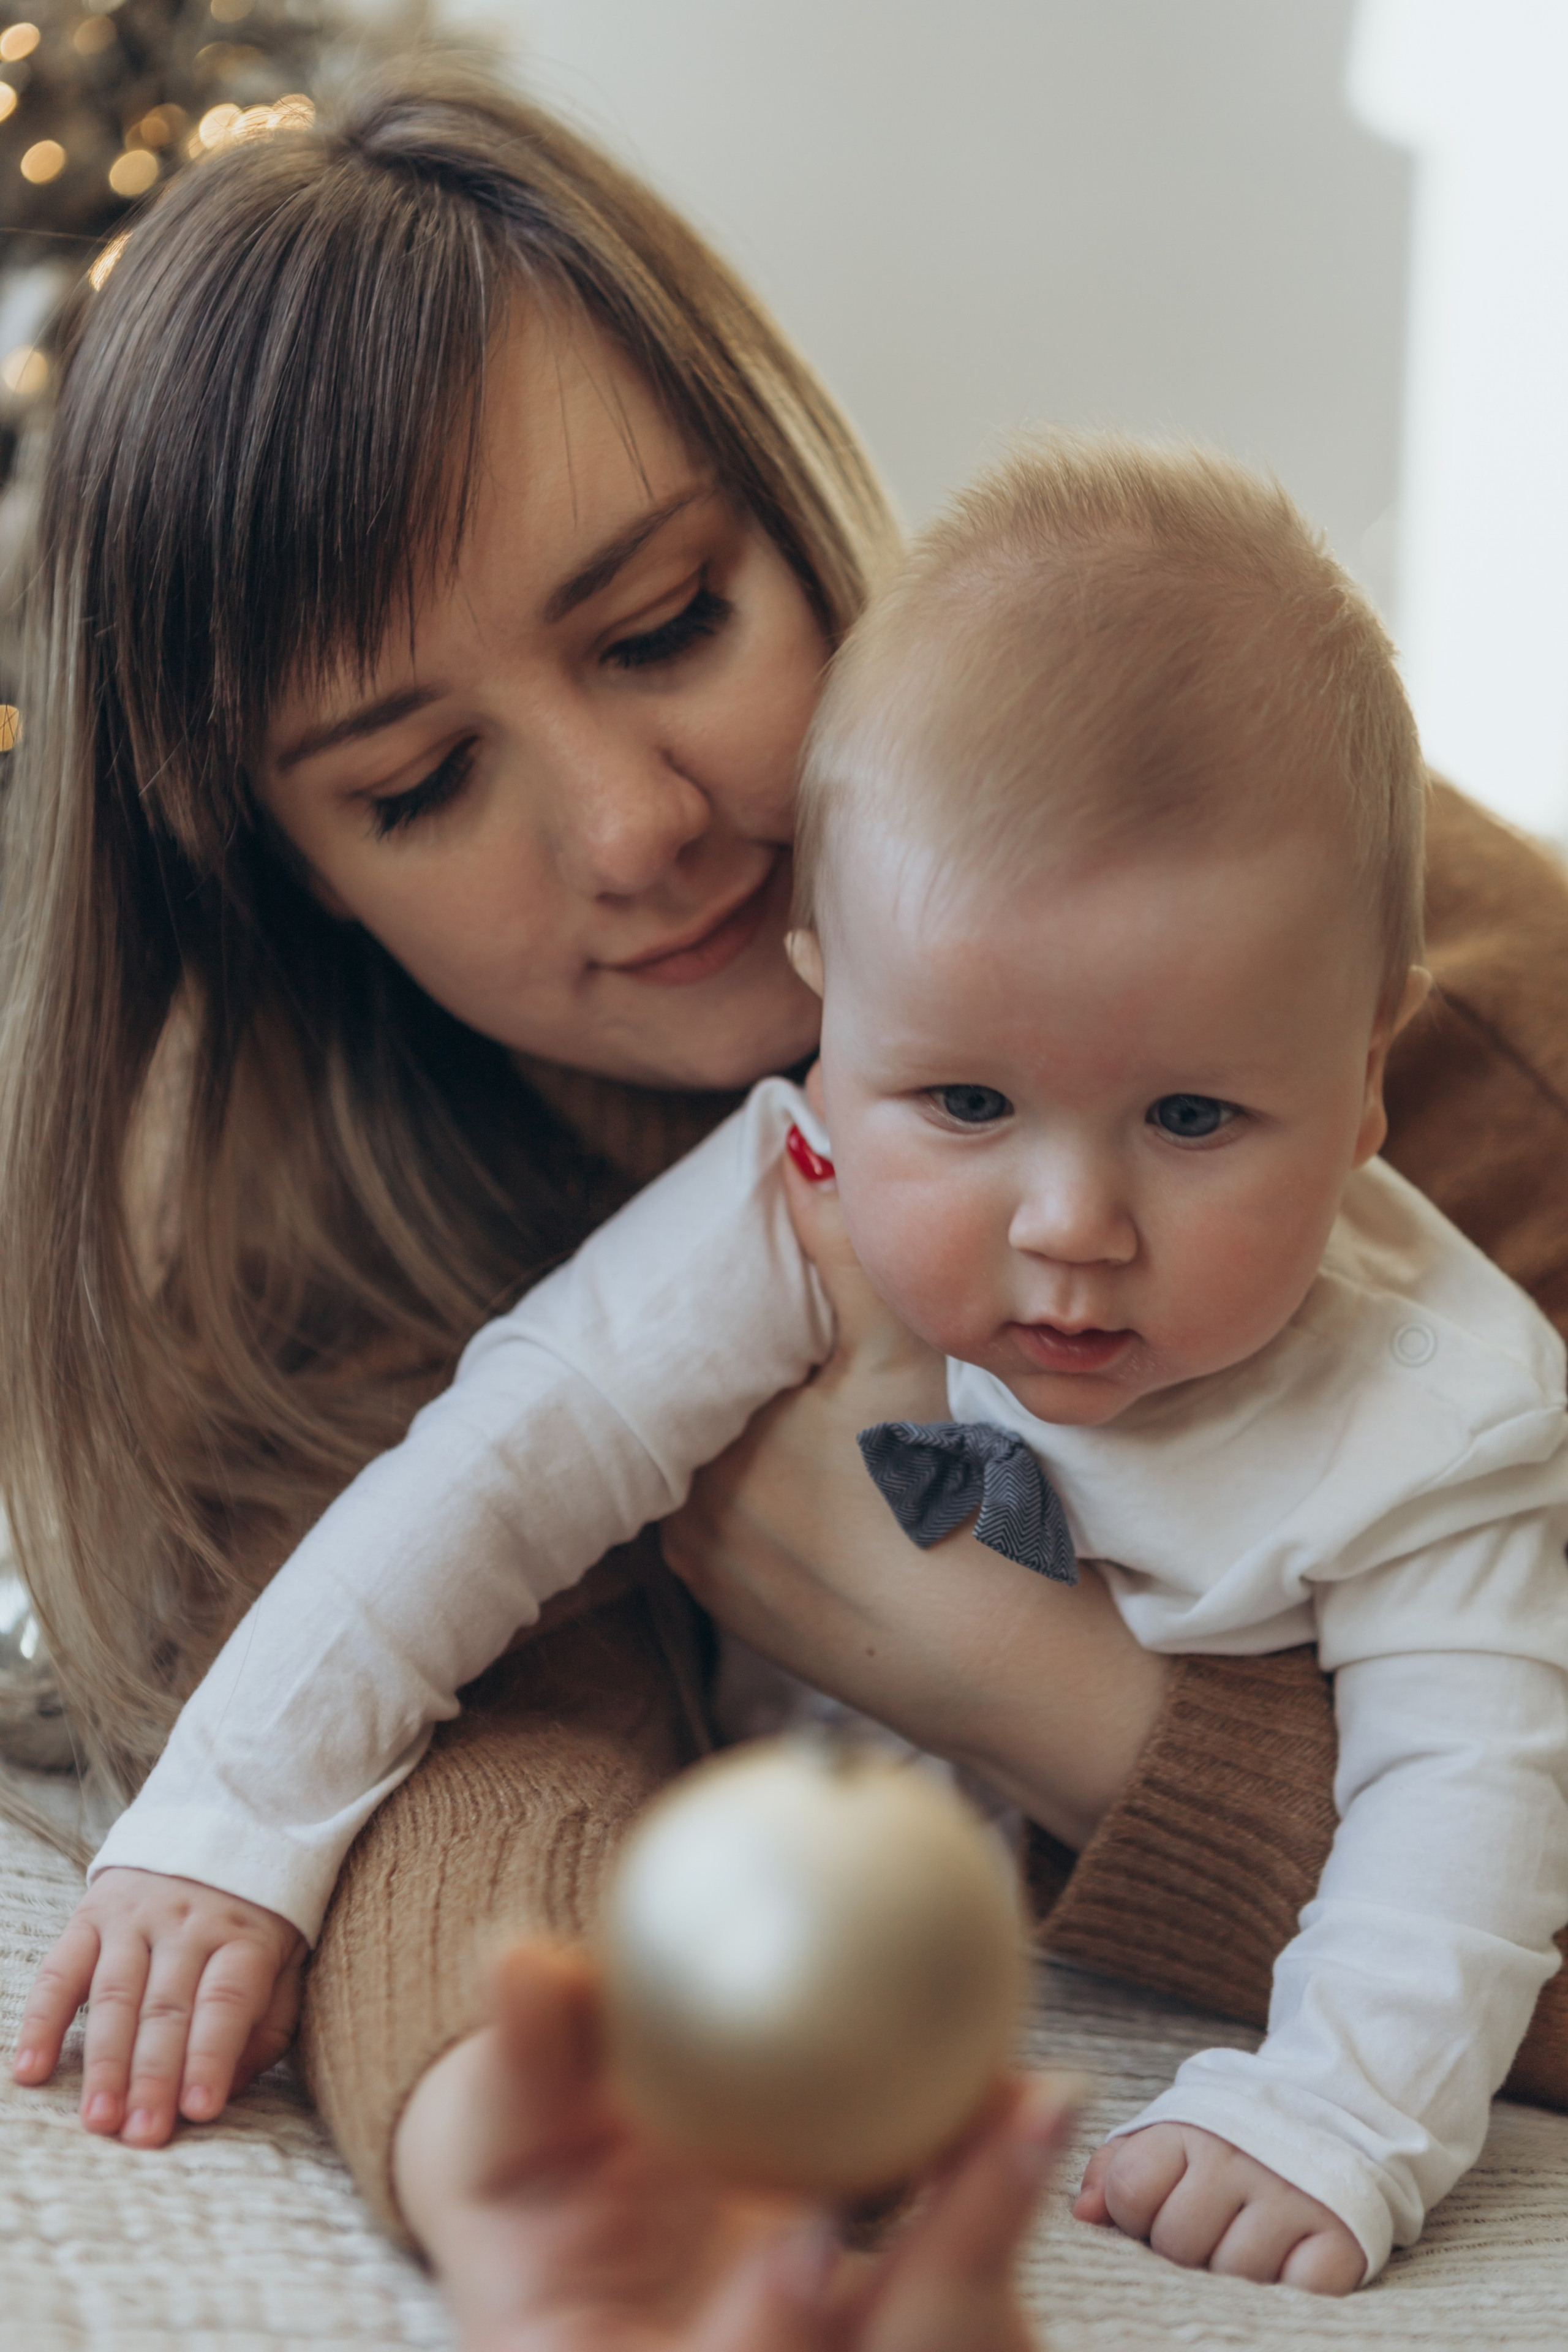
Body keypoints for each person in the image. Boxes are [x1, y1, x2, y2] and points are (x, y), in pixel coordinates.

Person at [4, 66, 1568, 2342]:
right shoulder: (351, 1234)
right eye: (422, 781)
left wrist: (1035, 1692)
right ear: (292, 879)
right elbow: (467, 1710)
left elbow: (1496, 1756)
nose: (634, 826)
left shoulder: (1423, 1032)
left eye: (664, 627)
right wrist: (538, 2151)